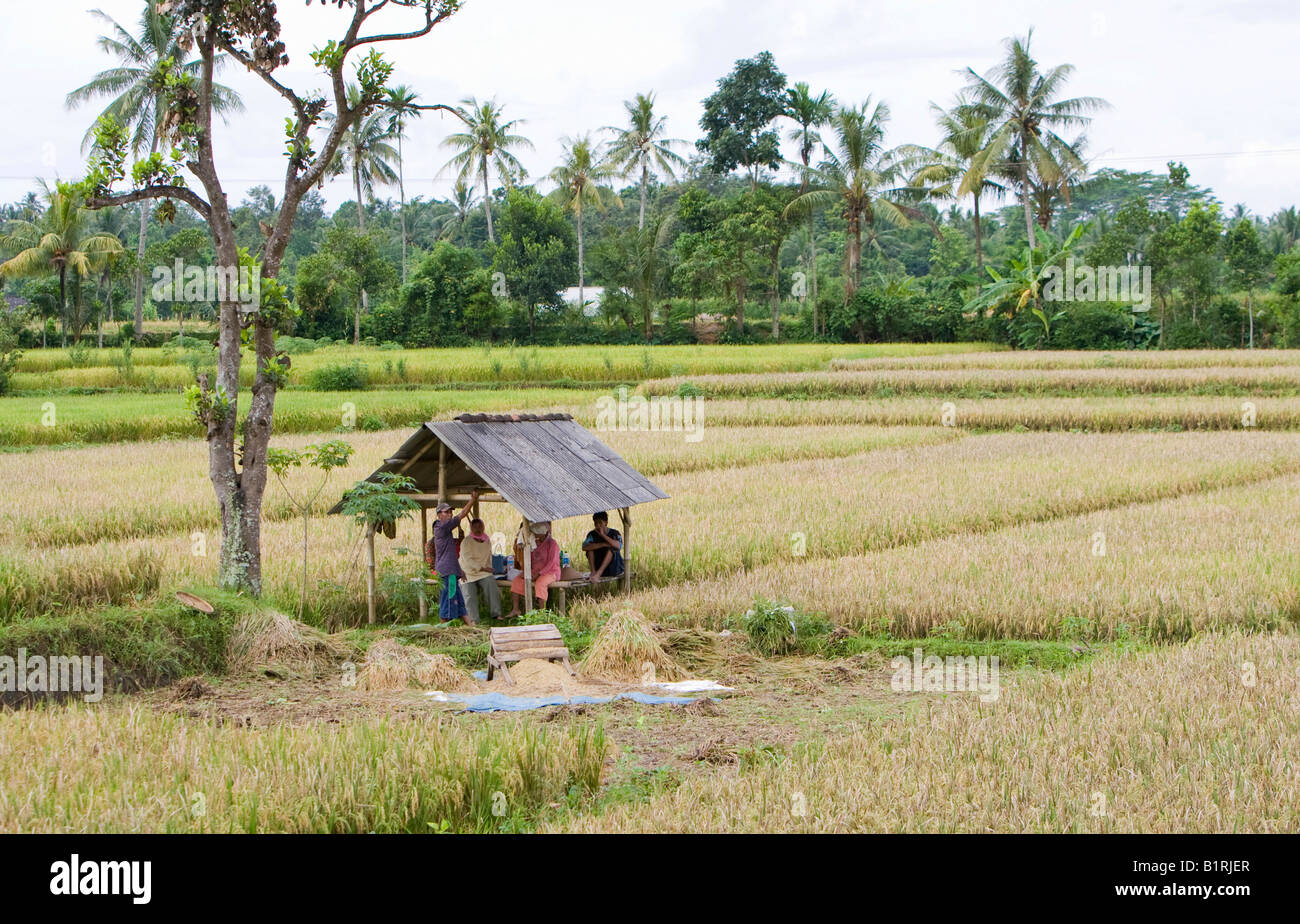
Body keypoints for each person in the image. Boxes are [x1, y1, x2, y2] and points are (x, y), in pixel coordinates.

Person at [424, 491, 479, 623]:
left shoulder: (446, 531)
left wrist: (459, 570)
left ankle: (471, 627)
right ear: (438, 515)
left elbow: (450, 555)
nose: (449, 514)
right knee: (449, 601)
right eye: (446, 512)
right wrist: (473, 500)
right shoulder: (442, 526)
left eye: (450, 512)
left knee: (459, 602)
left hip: (451, 571)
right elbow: (461, 515)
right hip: (447, 572)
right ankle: (445, 630)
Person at [506, 521, 561, 616]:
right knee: (517, 580)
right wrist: (529, 572)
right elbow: (529, 558)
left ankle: (542, 613)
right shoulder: (533, 542)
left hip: (550, 572)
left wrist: (539, 574)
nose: (535, 535)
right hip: (534, 571)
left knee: (540, 583)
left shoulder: (552, 544)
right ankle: (516, 609)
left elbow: (552, 563)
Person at [459, 517, 502, 622]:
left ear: (483, 527)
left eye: (480, 526)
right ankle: (473, 620)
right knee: (469, 593)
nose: (478, 529)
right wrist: (484, 568)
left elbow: (488, 557)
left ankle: (496, 614)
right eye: (475, 527)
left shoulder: (486, 540)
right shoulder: (466, 542)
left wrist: (490, 568)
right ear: (471, 528)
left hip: (482, 572)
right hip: (467, 572)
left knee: (491, 585)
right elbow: (468, 560)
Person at [582, 511, 624, 581]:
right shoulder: (592, 534)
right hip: (598, 565)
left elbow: (618, 546)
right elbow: (584, 547)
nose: (598, 526)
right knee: (590, 549)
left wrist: (603, 536)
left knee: (611, 550)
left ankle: (598, 574)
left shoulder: (615, 533)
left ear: (606, 523)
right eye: (596, 523)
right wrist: (602, 544)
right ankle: (593, 572)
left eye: (600, 523)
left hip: (614, 568)